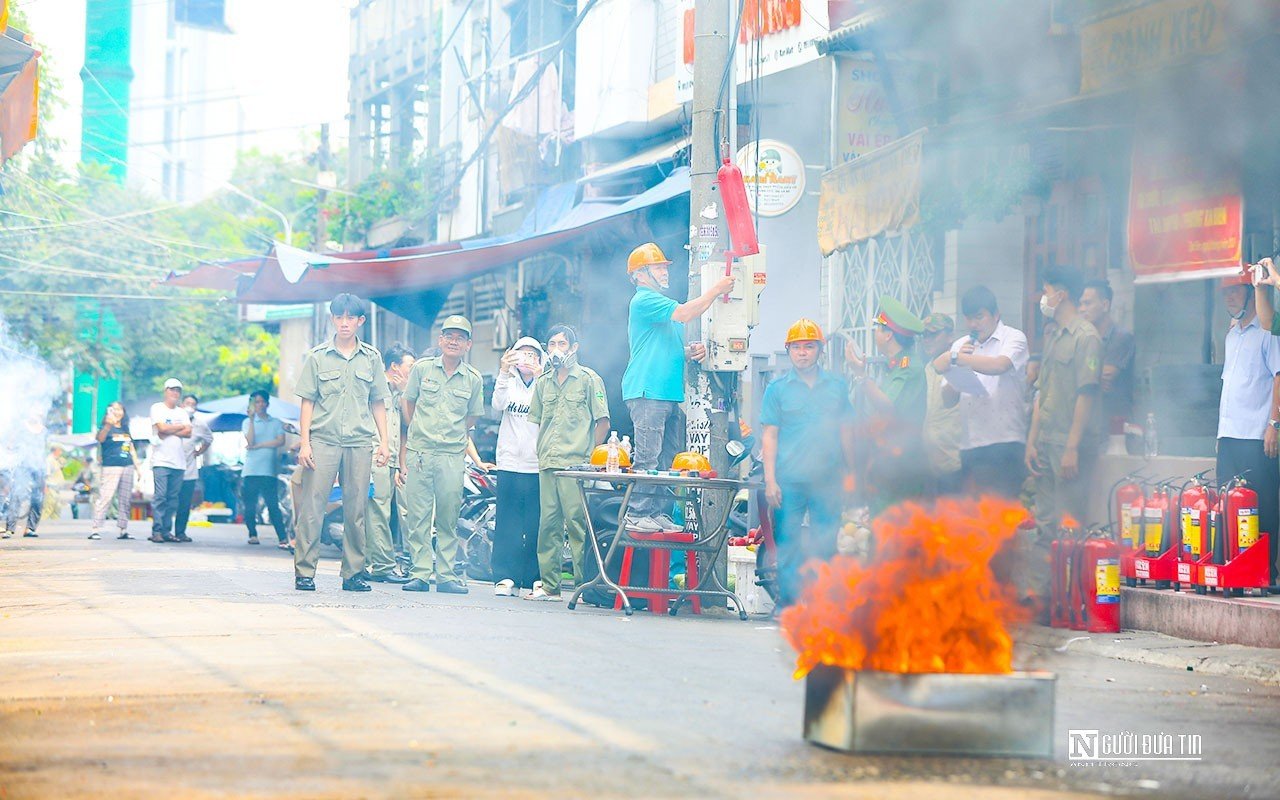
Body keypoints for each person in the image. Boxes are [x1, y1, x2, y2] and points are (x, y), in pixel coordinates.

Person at [620, 242, 735, 532]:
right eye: (658, 267)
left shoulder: (660, 308)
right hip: (648, 390)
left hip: (667, 392)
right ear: (641, 275)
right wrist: (716, 290)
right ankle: (637, 513)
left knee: (666, 459)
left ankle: (657, 512)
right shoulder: (645, 300)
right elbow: (685, 313)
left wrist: (688, 351)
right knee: (648, 457)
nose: (664, 272)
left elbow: (666, 347)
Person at [294, 294, 392, 592]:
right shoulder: (318, 356)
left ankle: (353, 573)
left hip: (360, 442)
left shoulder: (371, 358)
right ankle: (304, 572)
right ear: (333, 319)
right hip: (323, 441)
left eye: (351, 318)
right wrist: (305, 443)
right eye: (340, 317)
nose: (345, 323)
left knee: (356, 508)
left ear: (361, 321)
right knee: (313, 506)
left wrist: (384, 442)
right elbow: (307, 402)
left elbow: (378, 402)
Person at [761, 319, 856, 607]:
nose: (803, 352)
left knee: (826, 544)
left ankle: (822, 604)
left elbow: (846, 432)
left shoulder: (837, 387)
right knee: (788, 544)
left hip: (828, 479)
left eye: (809, 346)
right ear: (789, 351)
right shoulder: (777, 390)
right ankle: (787, 605)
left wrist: (852, 474)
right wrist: (770, 480)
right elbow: (770, 436)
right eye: (797, 347)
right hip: (789, 479)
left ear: (820, 350)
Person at [1026, 266, 1103, 602]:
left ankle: (1071, 601)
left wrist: (1072, 447)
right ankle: (1044, 600)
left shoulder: (1087, 337)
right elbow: (1042, 392)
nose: (1044, 299)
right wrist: (1032, 439)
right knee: (1044, 523)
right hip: (1045, 443)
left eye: (1046, 291)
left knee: (1070, 524)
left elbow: (1086, 394)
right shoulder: (1054, 335)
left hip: (1070, 446)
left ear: (1062, 294)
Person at [399, 316, 484, 594]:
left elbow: (471, 417)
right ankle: (420, 573)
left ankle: (446, 575)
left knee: (448, 517)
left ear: (468, 344)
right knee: (419, 517)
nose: (453, 341)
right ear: (440, 340)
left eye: (460, 337)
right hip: (421, 452)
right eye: (449, 336)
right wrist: (420, 433)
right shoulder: (422, 370)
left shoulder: (473, 379)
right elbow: (408, 403)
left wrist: (451, 435)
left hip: (451, 455)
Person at [526, 324, 610, 602]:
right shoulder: (543, 382)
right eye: (551, 344)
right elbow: (538, 422)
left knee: (577, 524)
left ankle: (583, 587)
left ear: (574, 348)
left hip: (576, 466)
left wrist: (590, 456)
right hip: (549, 463)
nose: (556, 350)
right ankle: (550, 586)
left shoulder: (588, 379)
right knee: (548, 525)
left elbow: (602, 422)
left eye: (562, 344)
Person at [931, 286, 1029, 499]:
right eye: (969, 319)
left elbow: (999, 366)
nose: (973, 325)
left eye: (979, 317)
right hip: (971, 444)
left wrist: (956, 359)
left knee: (1001, 515)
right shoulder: (960, 345)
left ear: (996, 315)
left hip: (1005, 441)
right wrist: (956, 370)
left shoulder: (1014, 338)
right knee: (974, 518)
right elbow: (948, 399)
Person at [1215, 268, 1280, 585]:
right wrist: (1220, 433)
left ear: (1252, 293)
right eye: (1226, 292)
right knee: (1228, 507)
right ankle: (1234, 568)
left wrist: (1274, 424)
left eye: (1236, 291)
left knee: (1262, 506)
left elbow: (1279, 375)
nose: (1230, 297)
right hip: (1229, 437)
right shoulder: (1230, 336)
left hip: (1256, 437)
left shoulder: (1268, 332)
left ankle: (1265, 571)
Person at [844, 296, 927, 511]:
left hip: (902, 461)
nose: (875, 333)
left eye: (878, 328)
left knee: (893, 525)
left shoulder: (907, 365)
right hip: (890, 456)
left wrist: (862, 376)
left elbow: (887, 405)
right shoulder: (896, 363)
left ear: (889, 334)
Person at [490, 336, 545, 597]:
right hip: (509, 462)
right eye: (521, 354)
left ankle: (533, 577)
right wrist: (503, 371)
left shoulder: (544, 385)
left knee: (535, 523)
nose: (526, 359)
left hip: (535, 464)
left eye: (532, 355)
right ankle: (504, 576)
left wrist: (542, 377)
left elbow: (550, 410)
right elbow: (496, 407)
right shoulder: (508, 383)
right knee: (507, 522)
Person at [365, 343, 415, 582]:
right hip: (376, 457)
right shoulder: (375, 388)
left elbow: (407, 425)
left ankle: (372, 562)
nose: (412, 372)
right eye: (410, 366)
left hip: (392, 459)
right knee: (378, 510)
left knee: (383, 511)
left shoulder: (398, 393)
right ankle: (383, 565)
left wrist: (401, 463)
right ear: (394, 366)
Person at [1079, 279, 1136, 434]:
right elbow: (1092, 376)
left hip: (1116, 424)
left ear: (1105, 305)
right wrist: (1090, 376)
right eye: (1081, 304)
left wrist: (1087, 376)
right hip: (1092, 422)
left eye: (1088, 303)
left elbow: (1106, 375)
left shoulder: (1121, 337)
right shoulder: (1086, 339)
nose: (1083, 309)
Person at [920, 313, 963, 496]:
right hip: (930, 462)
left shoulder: (961, 365)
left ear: (950, 336)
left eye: (933, 334)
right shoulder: (928, 368)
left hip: (956, 462)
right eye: (924, 335)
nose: (927, 340)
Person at [241, 390, 290, 549]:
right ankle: (252, 534)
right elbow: (250, 440)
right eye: (256, 402)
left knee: (273, 504)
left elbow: (280, 441)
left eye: (262, 402)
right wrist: (251, 419)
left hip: (269, 471)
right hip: (251, 470)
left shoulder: (275, 422)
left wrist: (259, 446)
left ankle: (282, 537)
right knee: (250, 504)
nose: (260, 405)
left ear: (267, 404)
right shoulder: (247, 422)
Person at [149, 378, 193, 544]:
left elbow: (189, 432)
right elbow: (161, 429)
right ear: (165, 391)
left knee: (173, 499)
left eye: (177, 391)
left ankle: (167, 531)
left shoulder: (182, 412)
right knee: (160, 497)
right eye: (172, 390)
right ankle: (157, 531)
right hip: (161, 461)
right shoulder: (157, 408)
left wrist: (169, 430)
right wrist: (178, 428)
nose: (175, 393)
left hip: (179, 462)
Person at [91, 401, 140, 540]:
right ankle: (95, 528)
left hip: (128, 465)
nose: (118, 412)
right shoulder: (106, 427)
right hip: (111, 466)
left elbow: (131, 448)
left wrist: (138, 467)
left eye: (120, 409)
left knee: (125, 499)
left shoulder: (125, 428)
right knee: (105, 496)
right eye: (114, 410)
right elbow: (99, 439)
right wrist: (107, 424)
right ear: (109, 412)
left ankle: (123, 530)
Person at [174, 393, 213, 543]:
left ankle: (180, 532)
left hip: (189, 470)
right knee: (170, 502)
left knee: (184, 503)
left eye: (193, 404)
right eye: (187, 403)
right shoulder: (174, 419)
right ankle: (163, 531)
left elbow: (209, 439)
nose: (190, 406)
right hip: (172, 468)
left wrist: (198, 452)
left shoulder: (200, 424)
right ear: (181, 405)